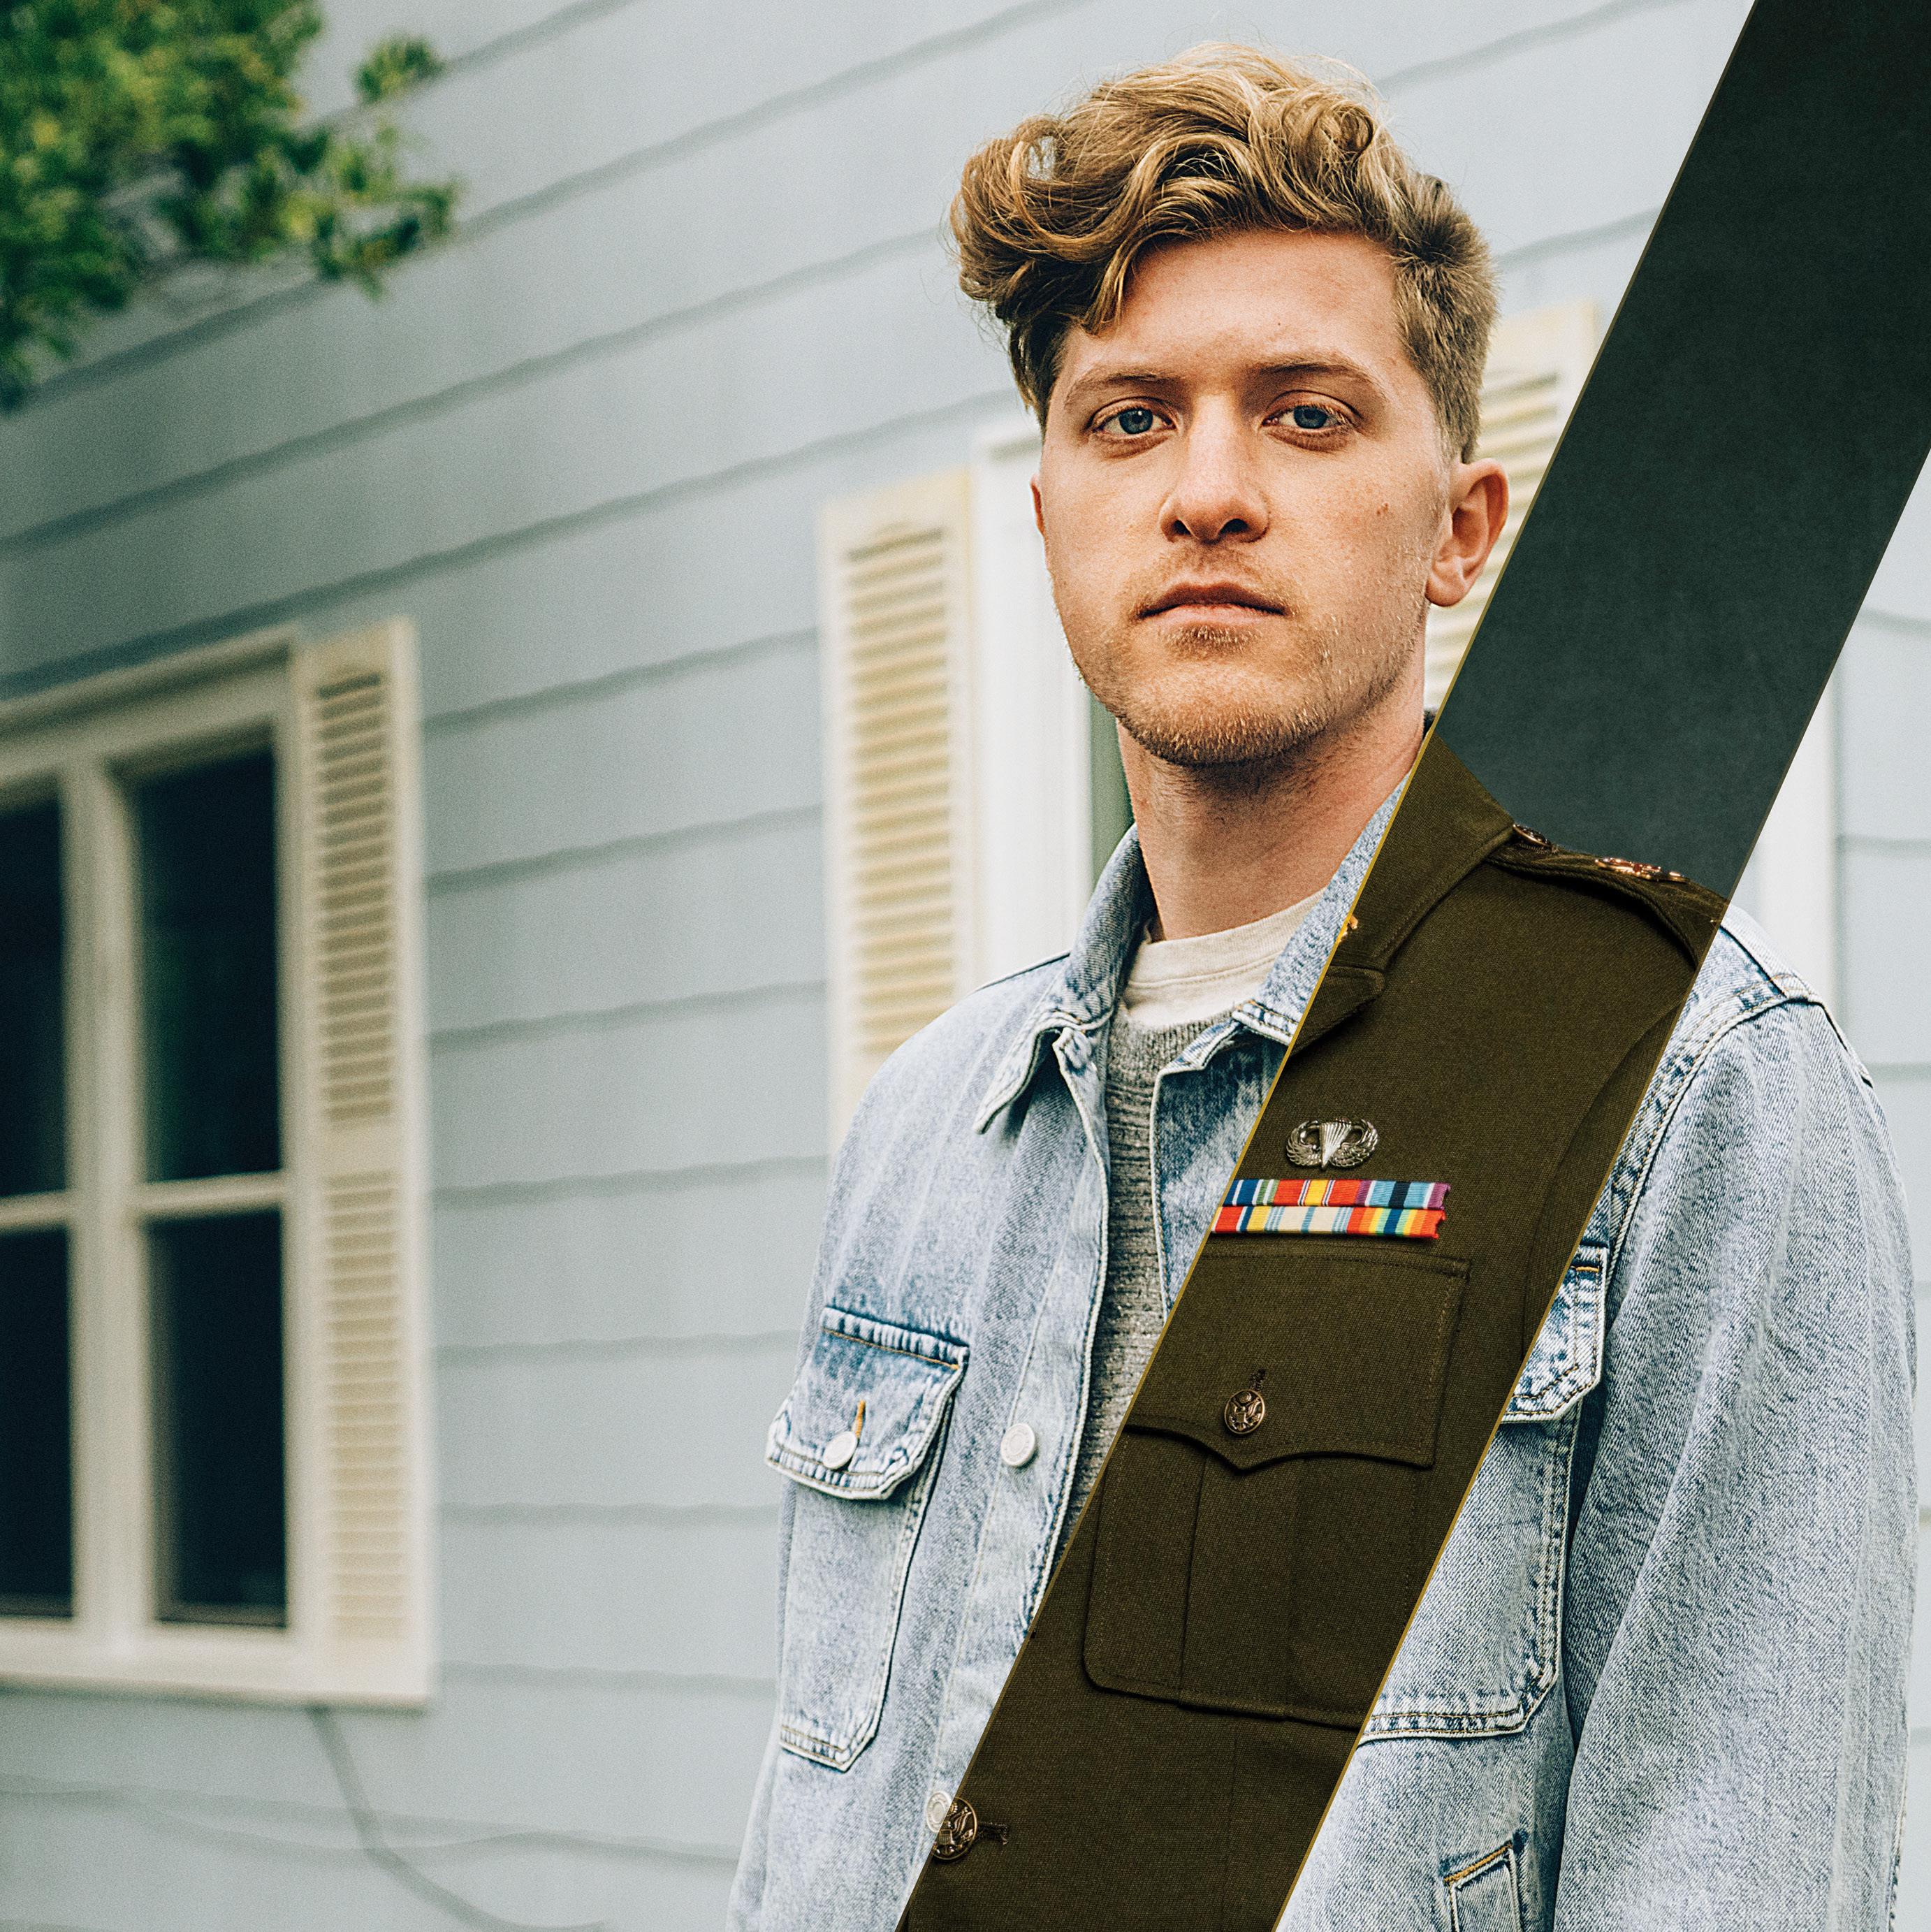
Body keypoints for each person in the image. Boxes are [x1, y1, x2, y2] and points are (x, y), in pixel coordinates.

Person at [725, 45, 1915, 1931]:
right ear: (1048, 515)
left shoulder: (1688, 1089)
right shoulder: (924, 1130)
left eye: (1304, 414)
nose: (1207, 493)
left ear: (1460, 528)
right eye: (1129, 419)